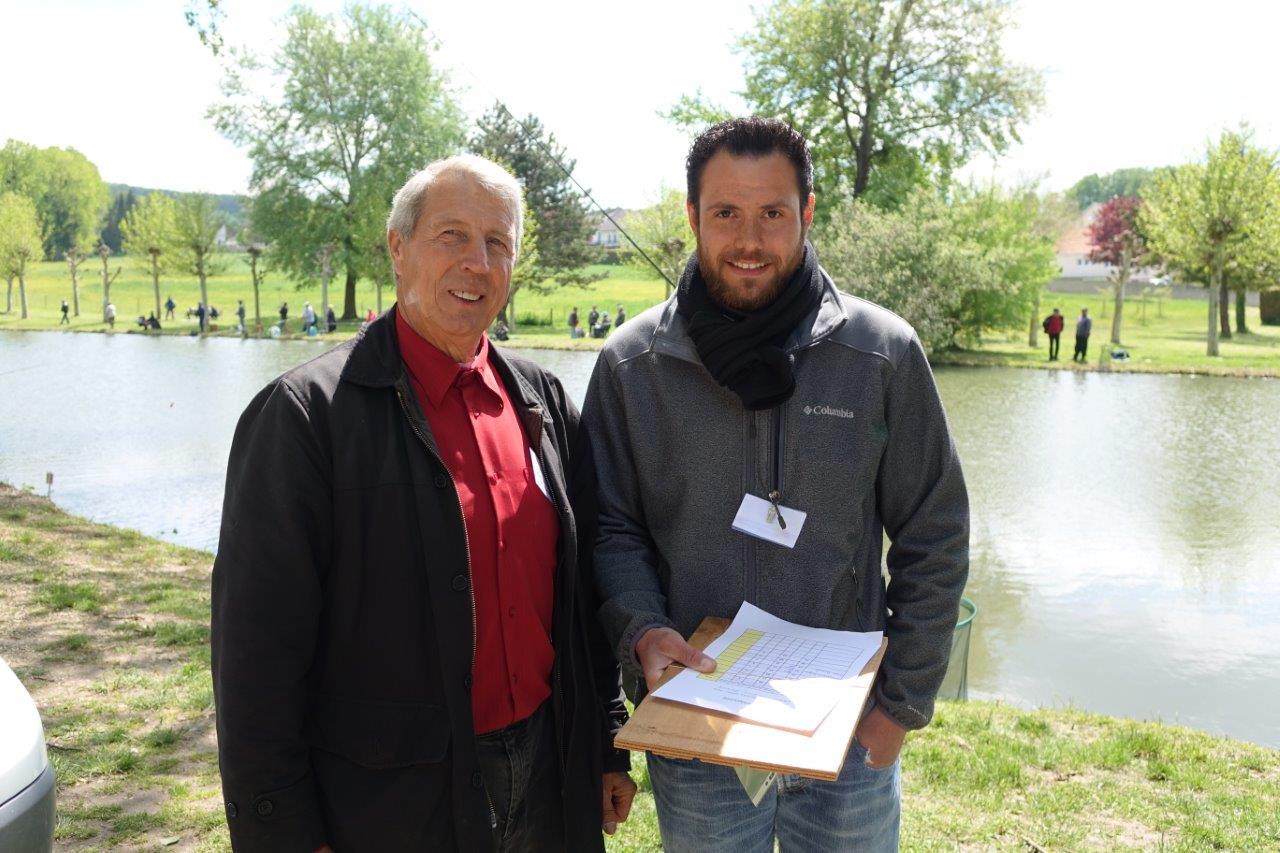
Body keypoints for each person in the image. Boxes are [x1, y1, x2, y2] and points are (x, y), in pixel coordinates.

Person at [213, 154, 635, 853]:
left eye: (498, 243)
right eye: (453, 236)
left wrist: (606, 742)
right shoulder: (303, 418)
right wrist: (283, 832)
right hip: (392, 800)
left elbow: (578, 594)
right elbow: (255, 657)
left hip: (548, 774)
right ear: (399, 249)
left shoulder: (545, 402)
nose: (477, 262)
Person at [583, 117, 969, 852]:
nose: (749, 240)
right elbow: (610, 527)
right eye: (726, 213)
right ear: (692, 216)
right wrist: (641, 631)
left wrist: (900, 705)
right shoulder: (633, 365)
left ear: (808, 213)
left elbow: (935, 533)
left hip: (847, 736)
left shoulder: (881, 354)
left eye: (773, 214)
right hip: (695, 729)